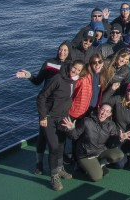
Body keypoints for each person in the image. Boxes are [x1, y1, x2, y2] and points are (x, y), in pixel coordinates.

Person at [17, 42, 71, 175]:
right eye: (60, 49)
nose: (62, 52)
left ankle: (59, 166)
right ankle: (39, 164)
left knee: (61, 138)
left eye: (65, 50)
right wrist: (28, 76)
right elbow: (38, 81)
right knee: (42, 136)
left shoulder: (70, 66)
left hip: (62, 108)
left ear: (69, 52)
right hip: (47, 107)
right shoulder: (49, 64)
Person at [36, 60, 84, 191]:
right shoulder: (57, 79)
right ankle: (54, 176)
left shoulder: (74, 81)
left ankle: (60, 168)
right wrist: (43, 117)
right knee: (53, 146)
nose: (75, 71)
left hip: (63, 117)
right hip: (50, 118)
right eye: (74, 68)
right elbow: (41, 97)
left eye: (79, 70)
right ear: (70, 66)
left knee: (62, 144)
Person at [61, 102, 130, 185]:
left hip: (100, 152)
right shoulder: (87, 121)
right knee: (97, 177)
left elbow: (111, 144)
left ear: (110, 114)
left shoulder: (111, 125)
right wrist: (71, 129)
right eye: (102, 110)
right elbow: (74, 136)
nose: (104, 113)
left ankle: (101, 163)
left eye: (107, 111)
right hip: (86, 155)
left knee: (119, 155)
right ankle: (83, 166)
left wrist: (120, 139)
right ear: (98, 109)